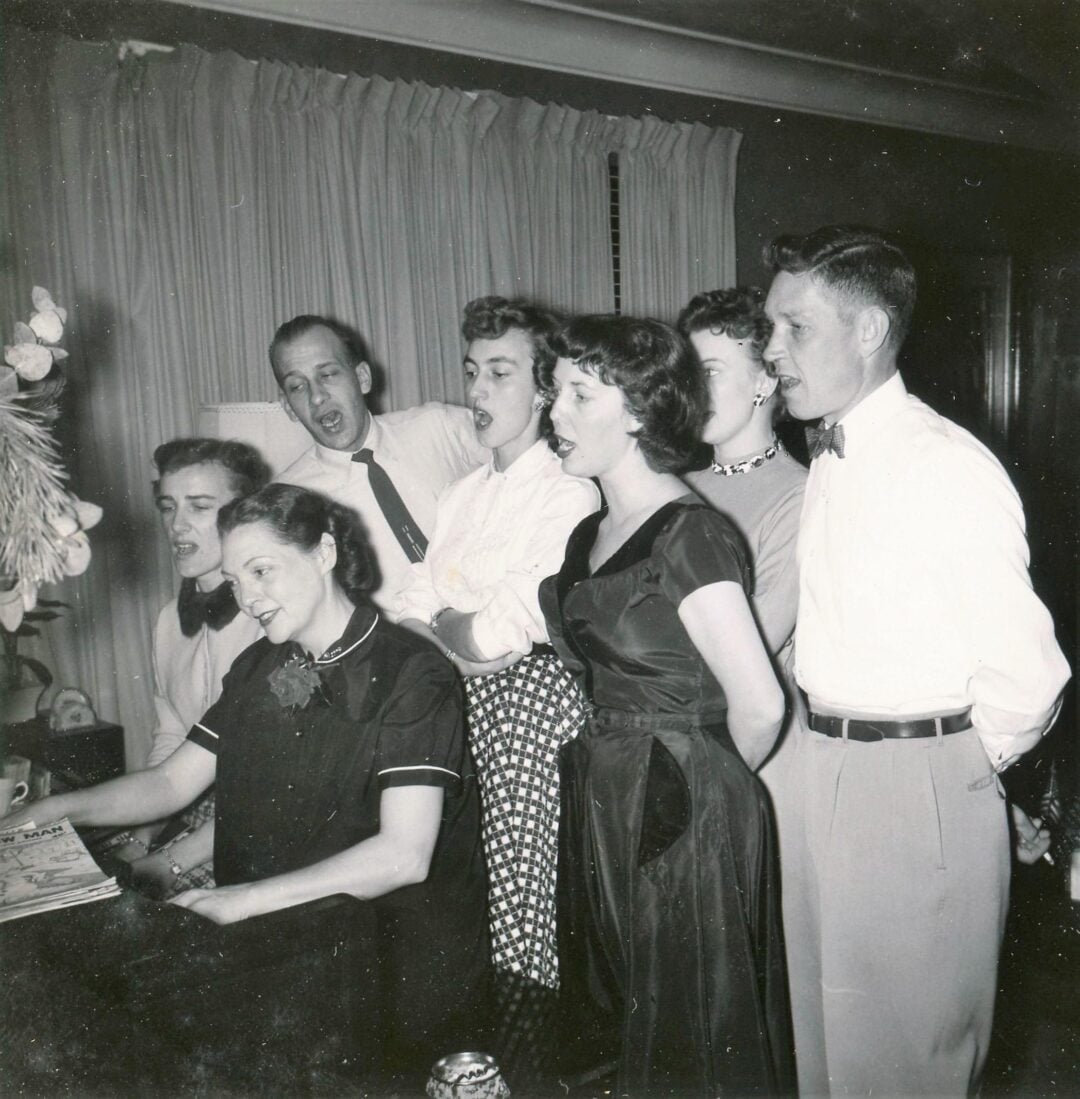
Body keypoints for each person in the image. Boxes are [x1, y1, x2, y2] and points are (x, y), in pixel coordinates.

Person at [3, 484, 489, 1066]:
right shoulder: (263, 664)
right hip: (277, 943)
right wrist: (54, 809)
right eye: (236, 581)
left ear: (325, 553)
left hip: (388, 963)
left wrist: (240, 902)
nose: (249, 597)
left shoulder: (412, 673)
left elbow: (403, 856)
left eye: (262, 571)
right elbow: (170, 784)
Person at [762, 225, 1071, 1097]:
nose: (774, 351)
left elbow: (1028, 675)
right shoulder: (830, 454)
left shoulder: (945, 468)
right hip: (819, 767)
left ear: (866, 332)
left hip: (912, 779)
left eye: (796, 328)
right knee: (826, 1051)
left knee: (907, 1062)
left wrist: (949, 777)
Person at [538, 314, 795, 1097]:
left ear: (642, 410)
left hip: (677, 806)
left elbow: (759, 704)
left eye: (581, 393)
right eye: (555, 391)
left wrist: (695, 797)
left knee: (690, 1037)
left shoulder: (691, 535)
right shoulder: (589, 532)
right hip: (605, 792)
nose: (555, 412)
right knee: (624, 1015)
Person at [395, 296, 599, 989]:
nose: (477, 392)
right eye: (472, 371)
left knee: (523, 918)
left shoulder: (571, 492)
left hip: (526, 729)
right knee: (459, 910)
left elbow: (504, 628)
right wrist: (458, 626)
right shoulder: (461, 494)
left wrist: (451, 621)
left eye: (500, 374)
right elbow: (407, 610)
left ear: (546, 389)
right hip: (453, 711)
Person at [113, 438, 269, 894]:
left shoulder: (273, 620)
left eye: (200, 507)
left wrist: (168, 862)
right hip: (191, 813)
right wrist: (139, 838)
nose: (177, 526)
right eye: (168, 507)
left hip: (259, 823)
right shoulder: (166, 622)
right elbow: (170, 738)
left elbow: (270, 791)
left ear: (244, 513)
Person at [271, 315, 486, 610]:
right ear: (288, 407)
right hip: (396, 650)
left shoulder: (440, 427)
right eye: (298, 386)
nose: (317, 397)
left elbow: (533, 462)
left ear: (362, 378)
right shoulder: (288, 499)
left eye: (328, 374)